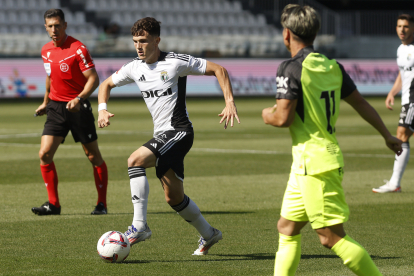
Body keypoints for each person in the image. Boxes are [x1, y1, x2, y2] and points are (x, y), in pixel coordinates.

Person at [261, 5, 402, 276]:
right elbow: (361, 103)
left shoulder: (290, 67)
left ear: (287, 34)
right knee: (287, 227)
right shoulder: (332, 66)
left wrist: (266, 113)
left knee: (330, 238)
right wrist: (386, 135)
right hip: (307, 163)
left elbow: (282, 118)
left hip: (315, 164)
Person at [97, 17, 240, 255]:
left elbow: (219, 69)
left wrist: (229, 102)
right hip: (163, 135)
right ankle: (209, 234)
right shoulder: (134, 67)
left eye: (143, 41)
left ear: (157, 40)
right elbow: (106, 84)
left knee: (134, 160)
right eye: (135, 41)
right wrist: (102, 108)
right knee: (173, 198)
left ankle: (139, 226)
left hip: (180, 131)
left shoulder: (175, 62)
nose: (138, 46)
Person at [32, 9, 109, 216]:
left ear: (65, 25)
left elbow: (93, 78)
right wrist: (45, 102)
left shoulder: (78, 49)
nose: (54, 30)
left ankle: (101, 204)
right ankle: (53, 205)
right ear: (46, 27)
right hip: (56, 107)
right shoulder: (46, 50)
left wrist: (79, 98)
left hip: (78, 107)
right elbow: (50, 77)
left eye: (58, 25)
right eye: (50, 26)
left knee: (93, 156)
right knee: (44, 154)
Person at [372, 14, 414, 193]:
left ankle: (394, 183)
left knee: (401, 135)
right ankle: (394, 183)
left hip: (412, 100)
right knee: (403, 136)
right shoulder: (400, 50)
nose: (402, 30)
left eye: (405, 26)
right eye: (399, 26)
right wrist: (392, 92)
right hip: (406, 99)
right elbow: (402, 74)